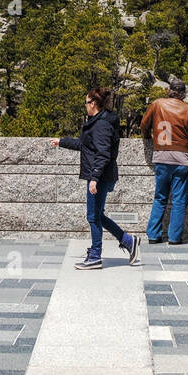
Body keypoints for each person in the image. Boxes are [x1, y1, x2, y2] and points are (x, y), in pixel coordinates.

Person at [50, 88, 140, 270]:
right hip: (100, 175)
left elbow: (103, 153)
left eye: (86, 102)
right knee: (97, 215)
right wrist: (62, 141)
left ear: (93, 104)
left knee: (93, 216)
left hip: (100, 177)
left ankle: (95, 255)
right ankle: (128, 241)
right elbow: (85, 146)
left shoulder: (101, 125)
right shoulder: (98, 121)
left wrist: (94, 178)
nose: (85, 106)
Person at [140, 77, 188, 245]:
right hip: (181, 158)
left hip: (161, 155)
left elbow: (144, 125)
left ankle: (153, 235)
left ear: (169, 90)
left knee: (160, 197)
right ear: (183, 93)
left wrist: (148, 139)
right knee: (179, 200)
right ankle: (174, 238)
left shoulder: (157, 104)